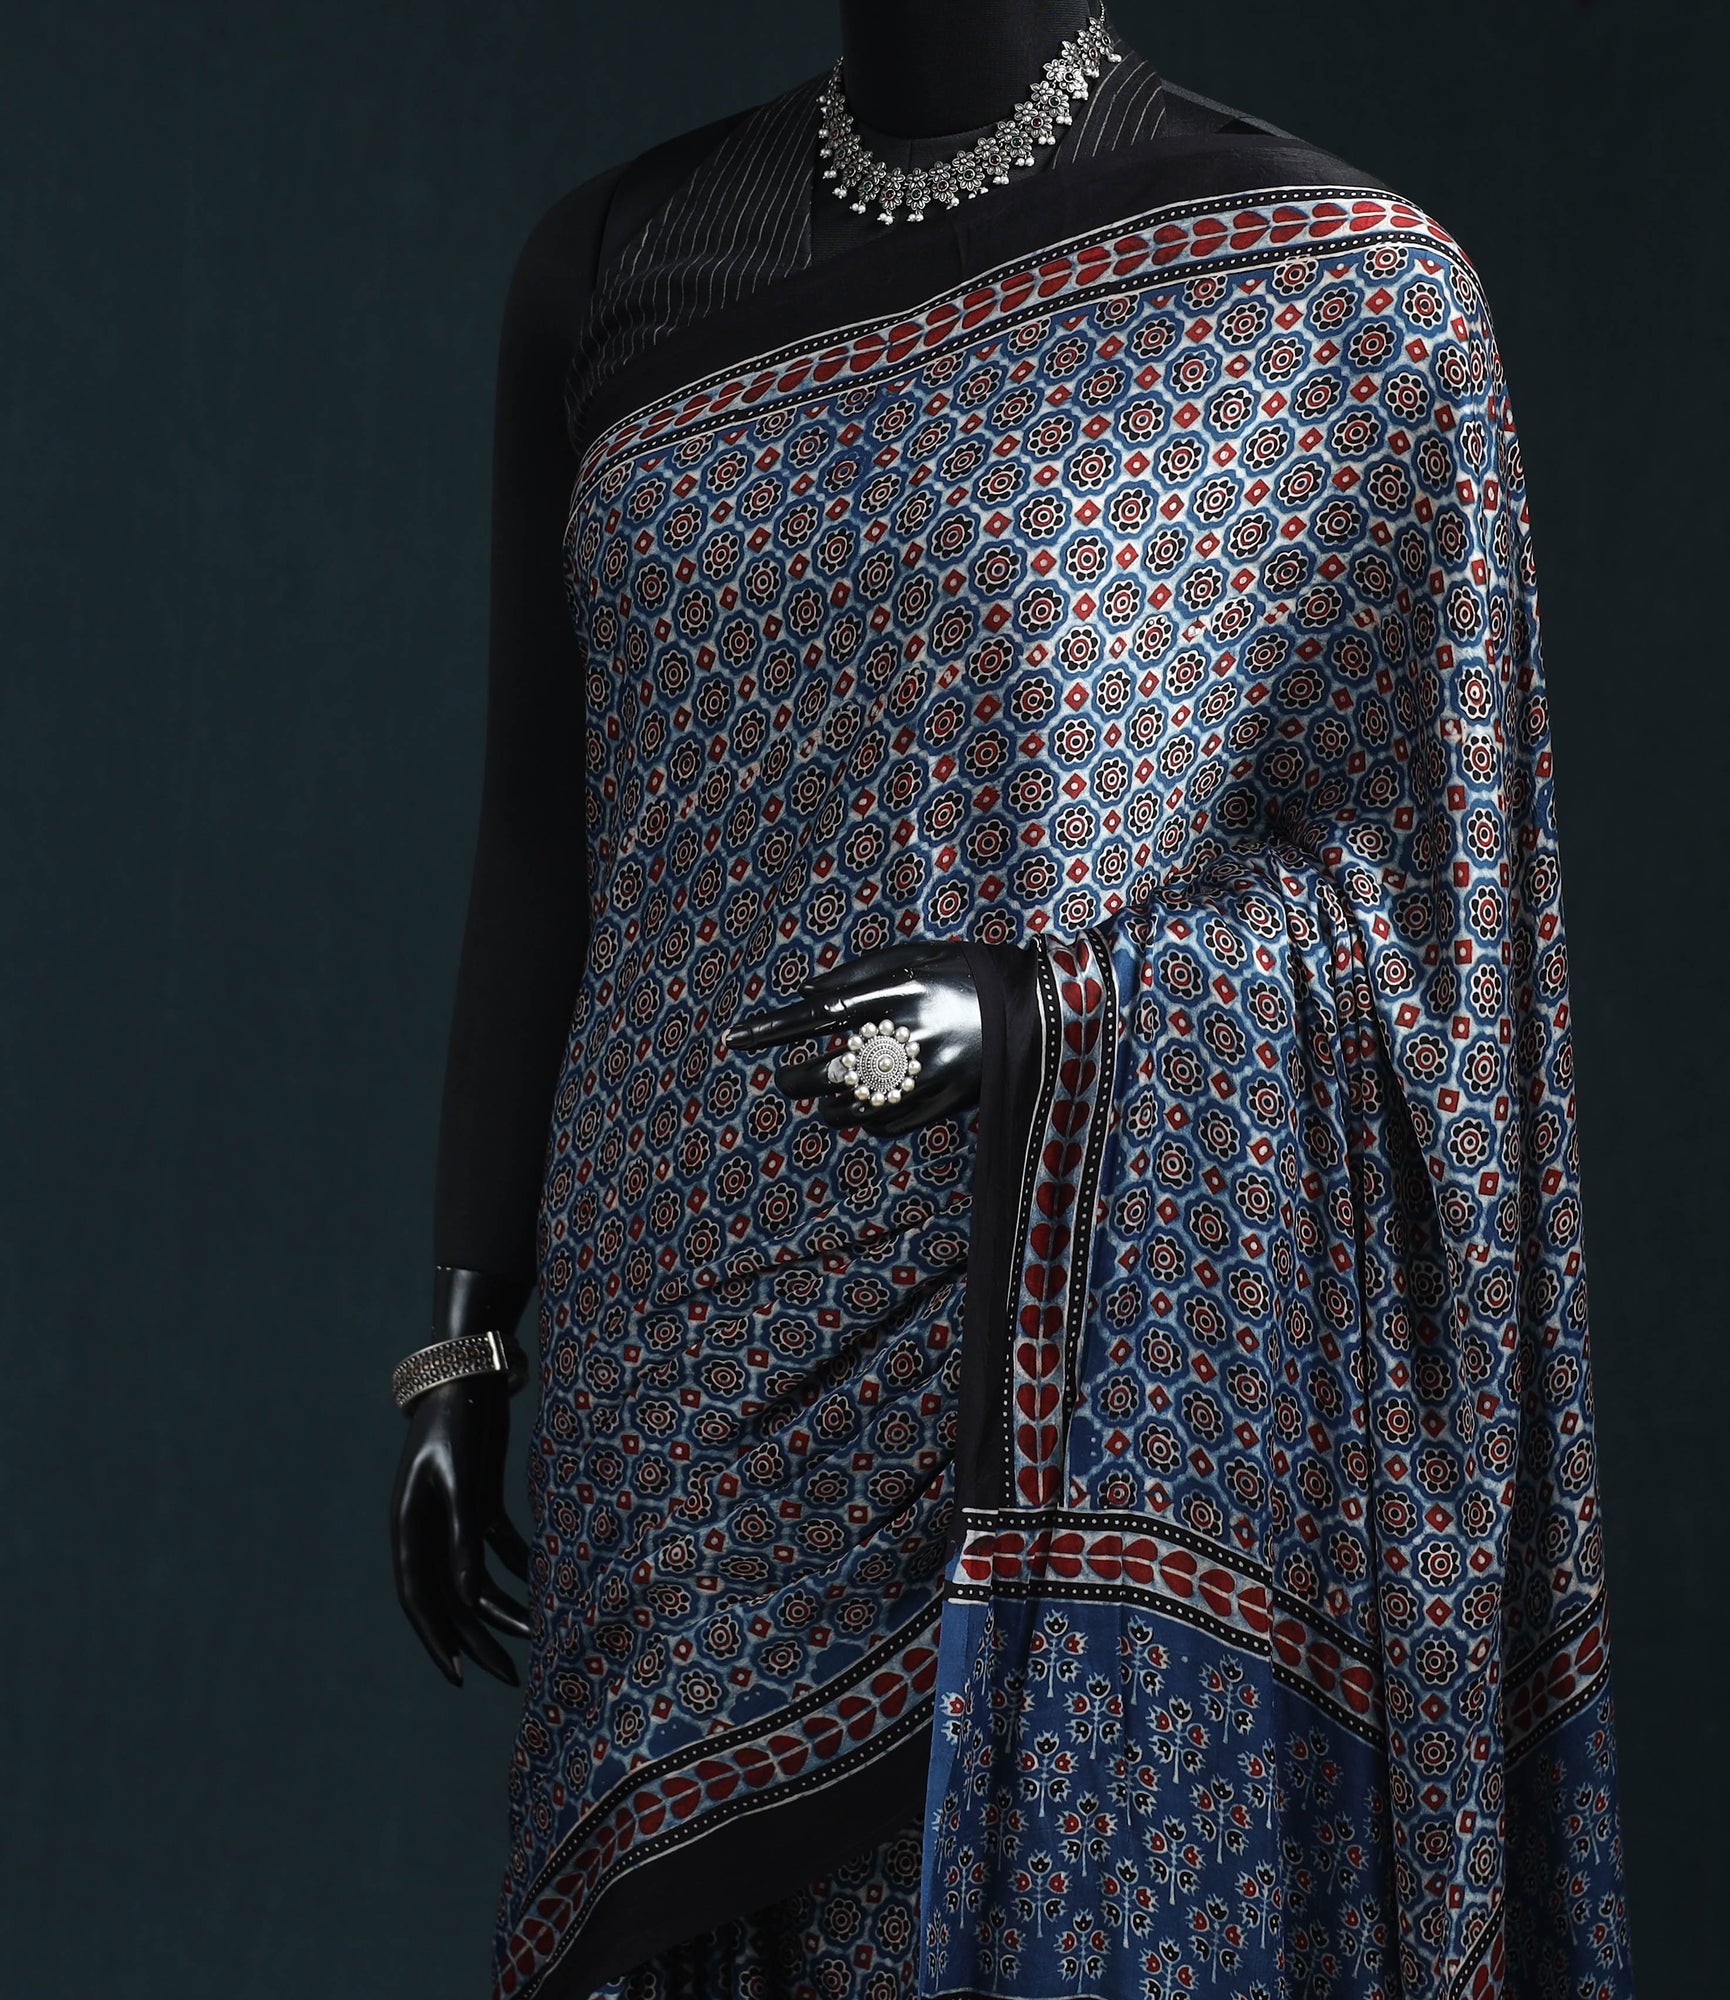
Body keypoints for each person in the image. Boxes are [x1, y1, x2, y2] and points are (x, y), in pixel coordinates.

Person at [390, 6, 1634, 1995]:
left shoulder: (1332, 295)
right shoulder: (614, 268)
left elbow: (1427, 936)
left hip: (1043, 1359)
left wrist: (1048, 1021)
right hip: (667, 1382)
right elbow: (542, 835)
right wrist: (465, 1337)